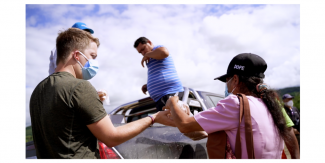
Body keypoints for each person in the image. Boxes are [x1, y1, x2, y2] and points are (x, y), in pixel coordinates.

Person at [30, 28, 174, 159]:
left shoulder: (38, 91)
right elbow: (112, 137)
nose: (94, 62)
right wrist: (154, 118)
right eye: (92, 56)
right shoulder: (79, 86)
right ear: (76, 55)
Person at [164, 53, 294, 159]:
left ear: (235, 80)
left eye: (227, 81)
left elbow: (185, 124)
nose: (226, 86)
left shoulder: (236, 104)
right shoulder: (270, 105)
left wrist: (173, 102)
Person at [133, 37, 184, 111]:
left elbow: (164, 52)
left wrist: (148, 54)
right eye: (140, 52)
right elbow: (159, 72)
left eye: (143, 49)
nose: (143, 53)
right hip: (161, 98)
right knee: (169, 122)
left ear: (149, 42)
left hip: (170, 93)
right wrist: (148, 86)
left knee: (176, 121)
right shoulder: (151, 57)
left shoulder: (157, 49)